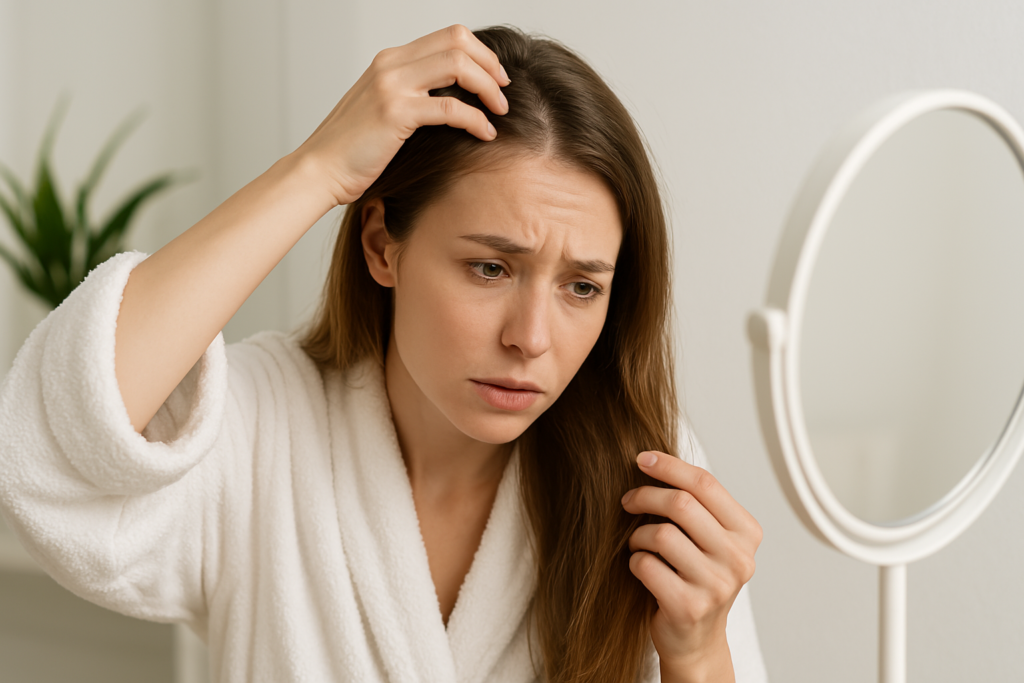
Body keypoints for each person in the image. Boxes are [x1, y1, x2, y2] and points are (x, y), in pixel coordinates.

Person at [0, 24, 767, 683]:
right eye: (490, 267)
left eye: (581, 287)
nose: (531, 337)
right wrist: (317, 168)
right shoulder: (266, 429)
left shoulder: (643, 479)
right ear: (381, 246)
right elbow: (50, 455)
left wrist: (700, 655)